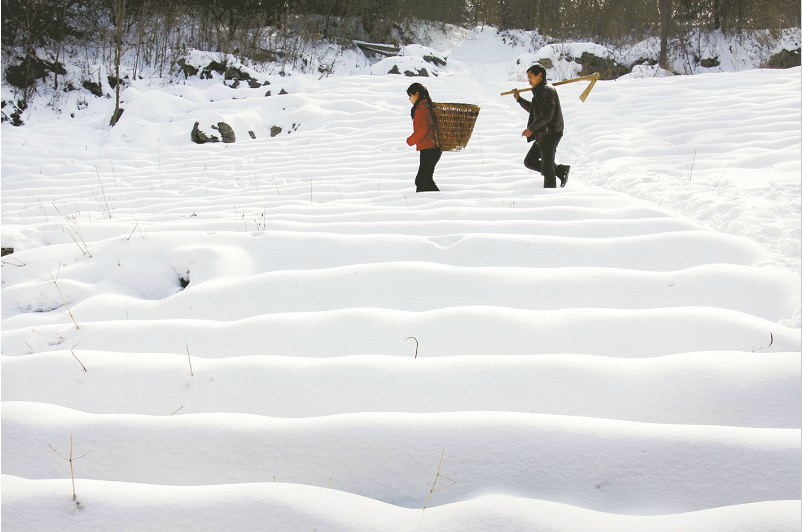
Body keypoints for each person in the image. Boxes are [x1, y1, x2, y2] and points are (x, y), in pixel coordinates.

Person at [511, 64, 570, 188]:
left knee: (547, 169)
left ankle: (549, 198)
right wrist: (519, 99)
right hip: (542, 134)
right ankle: (560, 170)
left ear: (540, 75)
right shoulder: (540, 91)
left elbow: (547, 115)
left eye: (530, 77)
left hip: (551, 134)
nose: (529, 81)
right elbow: (534, 110)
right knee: (529, 161)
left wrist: (531, 129)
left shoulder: (547, 90)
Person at [406, 82, 441, 192]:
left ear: (417, 94)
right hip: (433, 148)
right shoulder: (427, 105)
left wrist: (410, 140)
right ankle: (431, 200)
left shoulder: (421, 108)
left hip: (429, 148)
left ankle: (431, 201)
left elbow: (422, 130)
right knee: (424, 179)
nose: (409, 99)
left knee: (422, 180)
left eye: (410, 96)